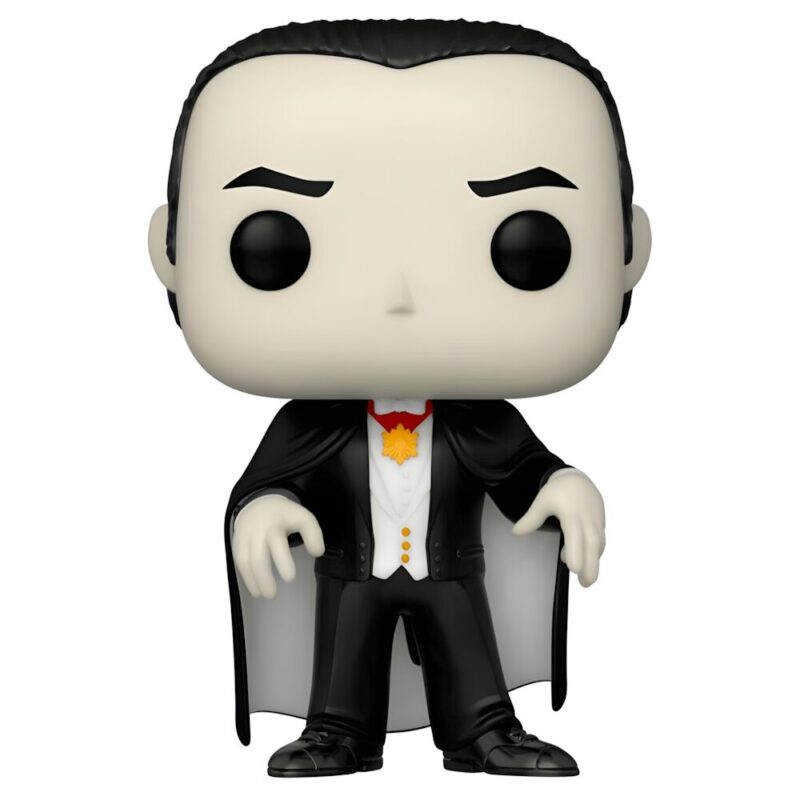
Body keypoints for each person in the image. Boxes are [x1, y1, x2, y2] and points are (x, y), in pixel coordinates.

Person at [147, 19, 651, 778]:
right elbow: (273, 480)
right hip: (350, 572)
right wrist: (262, 508)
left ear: (627, 253)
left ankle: (484, 728)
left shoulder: (480, 421)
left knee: (468, 646)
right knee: (342, 652)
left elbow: (520, 469)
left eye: (528, 244)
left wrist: (563, 484)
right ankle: (336, 730)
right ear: (172, 253)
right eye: (274, 245)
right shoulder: (311, 425)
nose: (400, 296)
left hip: (451, 569)